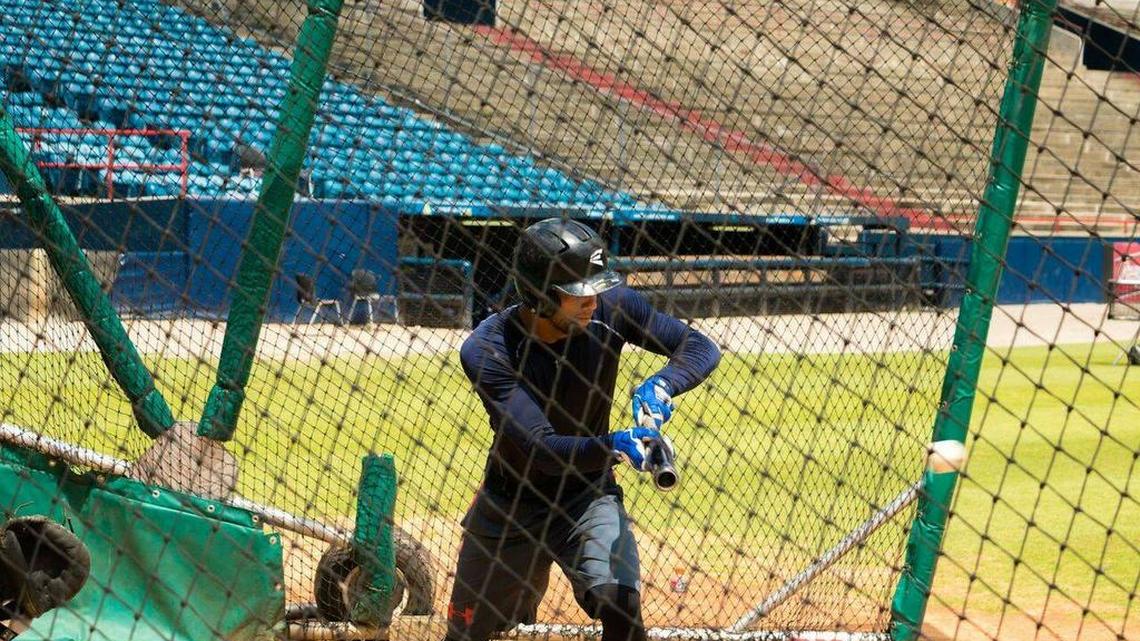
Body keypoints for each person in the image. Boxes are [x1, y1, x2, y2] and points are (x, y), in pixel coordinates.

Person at [447, 218, 721, 641]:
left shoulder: (612, 307)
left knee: (620, 602)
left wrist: (662, 385)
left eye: (596, 287)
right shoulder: (488, 350)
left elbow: (699, 347)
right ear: (539, 294)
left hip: (587, 494)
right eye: (577, 293)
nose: (592, 300)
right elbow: (542, 448)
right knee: (467, 633)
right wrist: (616, 446)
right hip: (510, 503)